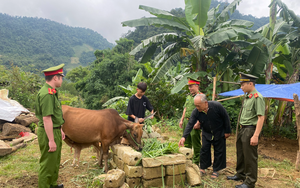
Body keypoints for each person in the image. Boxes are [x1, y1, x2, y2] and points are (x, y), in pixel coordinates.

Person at [178, 94, 231, 179]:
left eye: (198, 105)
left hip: (219, 131)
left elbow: (226, 118)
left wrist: (227, 131)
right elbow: (190, 124)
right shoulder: (196, 111)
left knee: (219, 150)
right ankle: (203, 168)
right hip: (206, 132)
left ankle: (216, 170)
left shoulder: (217, 106)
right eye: (195, 105)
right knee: (204, 149)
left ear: (205, 103)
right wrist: (184, 137)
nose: (197, 107)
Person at [227, 73, 265, 188]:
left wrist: (256, 135)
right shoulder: (247, 96)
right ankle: (240, 174)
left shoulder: (258, 97)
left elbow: (261, 117)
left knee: (250, 156)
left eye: (243, 84)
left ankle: (250, 182)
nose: (241, 87)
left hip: (250, 130)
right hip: (243, 129)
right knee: (241, 153)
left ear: (250, 83)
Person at [35, 64, 65, 188]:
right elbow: (47, 118)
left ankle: (52, 184)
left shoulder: (53, 92)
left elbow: (55, 115)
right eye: (61, 77)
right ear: (55, 78)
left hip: (55, 130)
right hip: (49, 133)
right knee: (47, 163)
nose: (62, 80)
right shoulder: (47, 94)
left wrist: (60, 129)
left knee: (54, 161)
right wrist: (51, 140)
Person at [179, 77, 202, 165]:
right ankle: (187, 159)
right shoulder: (188, 96)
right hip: (186, 121)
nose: (189, 88)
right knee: (186, 140)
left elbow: (203, 110)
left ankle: (196, 161)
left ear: (197, 86)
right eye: (189, 86)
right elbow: (185, 108)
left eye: (191, 86)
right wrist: (181, 120)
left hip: (195, 122)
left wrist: (199, 122)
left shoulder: (200, 96)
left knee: (195, 142)